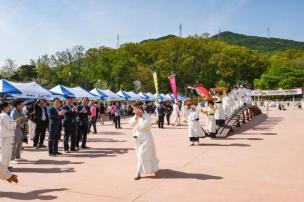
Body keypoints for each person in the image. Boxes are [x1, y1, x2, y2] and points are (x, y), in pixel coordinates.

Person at [129, 103, 159, 180]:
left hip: (146, 137)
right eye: (134, 109)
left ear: (141, 108)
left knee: (142, 155)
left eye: (137, 109)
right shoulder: (135, 116)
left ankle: (138, 173)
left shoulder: (147, 116)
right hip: (137, 137)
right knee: (139, 154)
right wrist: (135, 118)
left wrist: (140, 117)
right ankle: (148, 168)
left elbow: (144, 126)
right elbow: (130, 124)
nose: (135, 111)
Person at [0, 101, 21, 170]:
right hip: (5, 136)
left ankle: (5, 166)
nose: (9, 108)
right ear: (4, 107)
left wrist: (15, 122)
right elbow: (9, 126)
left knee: (7, 152)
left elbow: (9, 123)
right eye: (8, 107)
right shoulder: (4, 115)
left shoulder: (5, 115)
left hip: (6, 136)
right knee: (5, 153)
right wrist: (16, 123)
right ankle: (4, 167)